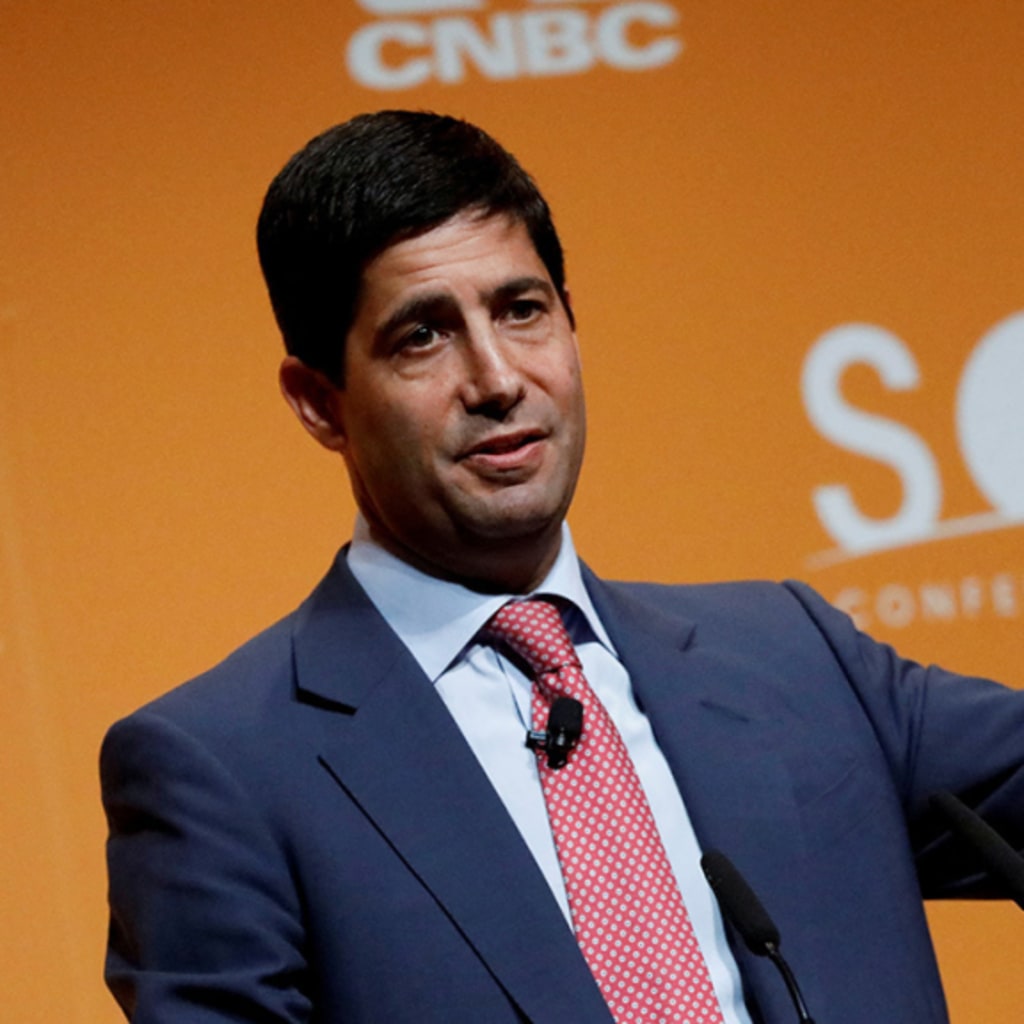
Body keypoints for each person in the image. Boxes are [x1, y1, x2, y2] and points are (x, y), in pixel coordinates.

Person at [101, 110, 1024, 1024]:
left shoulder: (801, 660)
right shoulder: (220, 772)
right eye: (422, 335)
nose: (498, 378)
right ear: (319, 403)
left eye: (522, 310)